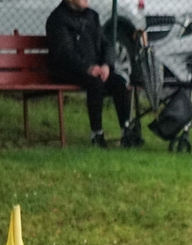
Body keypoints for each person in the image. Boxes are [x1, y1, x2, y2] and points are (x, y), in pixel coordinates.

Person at [46, 0, 132, 148]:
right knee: (95, 83)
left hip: (94, 69)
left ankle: (127, 131)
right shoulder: (57, 19)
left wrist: (106, 65)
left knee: (119, 82)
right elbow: (64, 54)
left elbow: (106, 45)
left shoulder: (92, 16)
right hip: (67, 70)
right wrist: (87, 68)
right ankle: (97, 134)